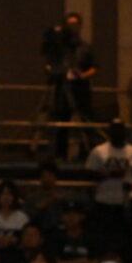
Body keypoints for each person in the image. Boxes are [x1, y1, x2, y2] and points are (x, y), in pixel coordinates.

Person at [42, 12, 97, 160]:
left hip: (81, 89)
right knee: (62, 122)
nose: (72, 27)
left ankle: (87, 154)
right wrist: (52, 70)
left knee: (86, 122)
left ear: (80, 26)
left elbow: (94, 67)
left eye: (75, 24)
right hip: (62, 89)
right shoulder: (59, 48)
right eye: (69, 24)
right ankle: (61, 155)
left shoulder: (86, 47)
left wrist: (82, 75)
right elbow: (49, 63)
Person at [85, 119, 132, 239]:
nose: (117, 132)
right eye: (114, 129)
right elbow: (88, 173)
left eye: (120, 129)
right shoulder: (98, 151)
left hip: (126, 202)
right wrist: (108, 174)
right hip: (103, 201)